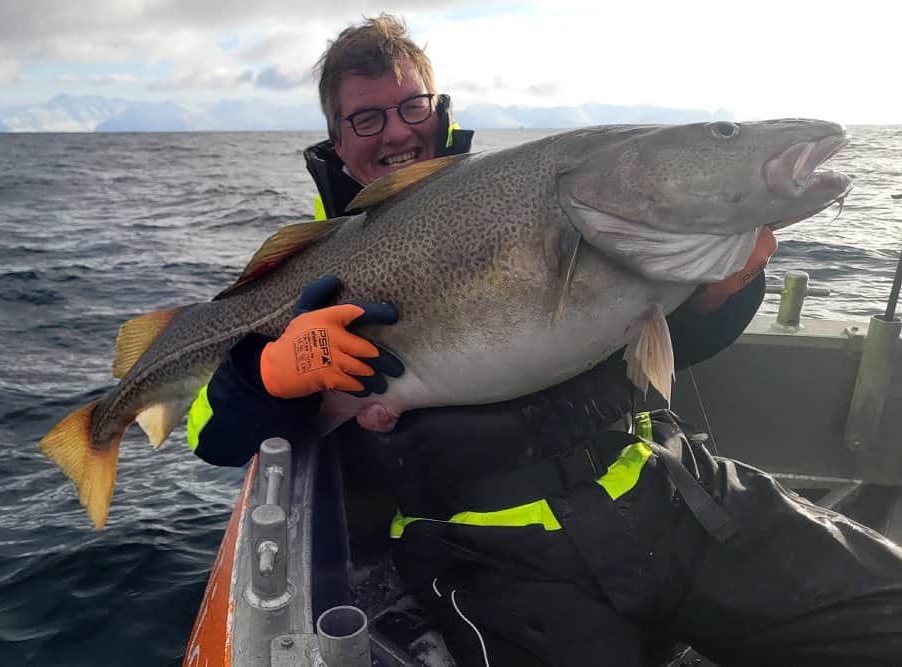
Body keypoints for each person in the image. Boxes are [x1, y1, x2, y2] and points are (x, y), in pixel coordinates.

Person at [187, 14, 902, 667]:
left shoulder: (549, 202)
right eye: (367, 118)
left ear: (440, 114)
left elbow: (681, 342)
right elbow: (213, 431)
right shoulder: (299, 270)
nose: (396, 132)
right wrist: (271, 371)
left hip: (673, 493)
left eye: (411, 107)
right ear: (337, 140)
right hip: (493, 558)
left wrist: (725, 288)